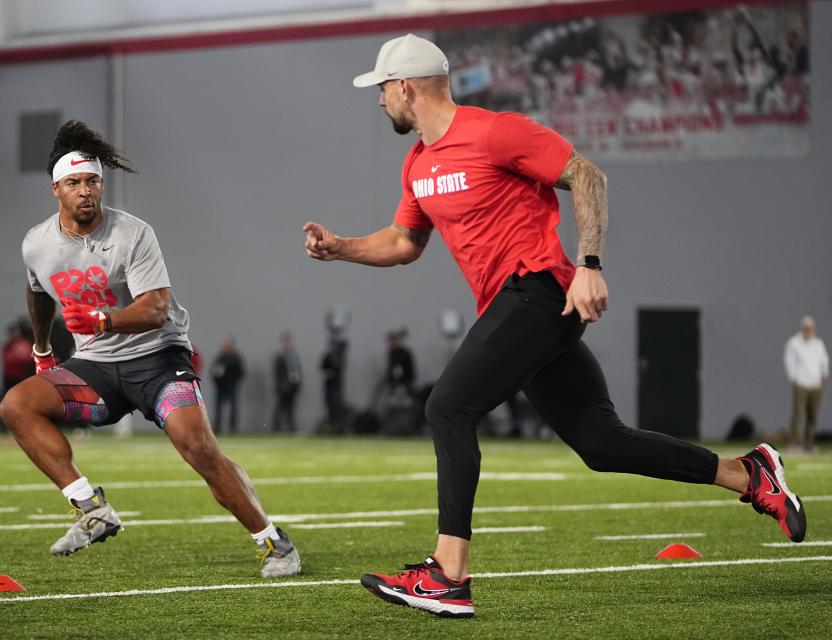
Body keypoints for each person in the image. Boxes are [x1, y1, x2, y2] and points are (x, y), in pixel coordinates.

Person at [302, 34, 805, 618]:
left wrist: (589, 265)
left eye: (382, 88)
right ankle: (749, 474)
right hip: (514, 310)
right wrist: (341, 248)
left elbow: (588, 177)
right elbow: (404, 242)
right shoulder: (417, 163)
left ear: (407, 87)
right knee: (600, 443)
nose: (380, 99)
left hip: (538, 290)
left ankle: (447, 574)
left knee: (448, 408)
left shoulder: (494, 132)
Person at [0, 120, 299, 577]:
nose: (86, 191)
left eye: (93, 181)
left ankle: (274, 543)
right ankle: (90, 507)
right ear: (55, 189)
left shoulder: (132, 233)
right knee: (17, 405)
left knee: (197, 448)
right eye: (75, 183)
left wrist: (104, 319)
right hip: (95, 368)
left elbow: (156, 309)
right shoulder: (36, 243)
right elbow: (37, 291)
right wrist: (42, 348)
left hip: (157, 359)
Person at [784, 316, 828, 452]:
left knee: (812, 416)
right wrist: (793, 378)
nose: (808, 330)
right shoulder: (794, 343)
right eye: (806, 328)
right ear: (802, 328)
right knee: (798, 414)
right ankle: (794, 443)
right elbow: (789, 360)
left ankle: (809, 444)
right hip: (801, 383)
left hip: (815, 384)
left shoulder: (818, 344)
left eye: (810, 328)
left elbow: (824, 360)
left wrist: (824, 375)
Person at [210, 336, 245, 433]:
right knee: (218, 408)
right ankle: (217, 427)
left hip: (231, 386)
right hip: (221, 387)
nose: (225, 347)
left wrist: (233, 381)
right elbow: (213, 371)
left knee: (233, 407)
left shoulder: (236, 358)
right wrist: (217, 381)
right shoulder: (220, 357)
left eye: (227, 344)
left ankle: (232, 427)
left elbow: (241, 372)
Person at [272, 332, 302, 432]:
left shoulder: (294, 355)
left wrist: (297, 383)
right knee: (280, 407)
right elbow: (277, 373)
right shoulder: (280, 356)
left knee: (291, 408)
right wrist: (281, 385)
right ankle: (277, 427)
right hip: (283, 387)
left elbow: (298, 370)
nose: (289, 343)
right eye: (287, 341)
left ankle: (291, 426)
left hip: (293, 386)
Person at [385, 329, 415, 394]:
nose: (390, 343)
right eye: (390, 341)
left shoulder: (403, 354)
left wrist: (403, 384)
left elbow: (408, 371)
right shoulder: (392, 354)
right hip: (395, 384)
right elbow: (391, 371)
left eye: (392, 341)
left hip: (403, 384)